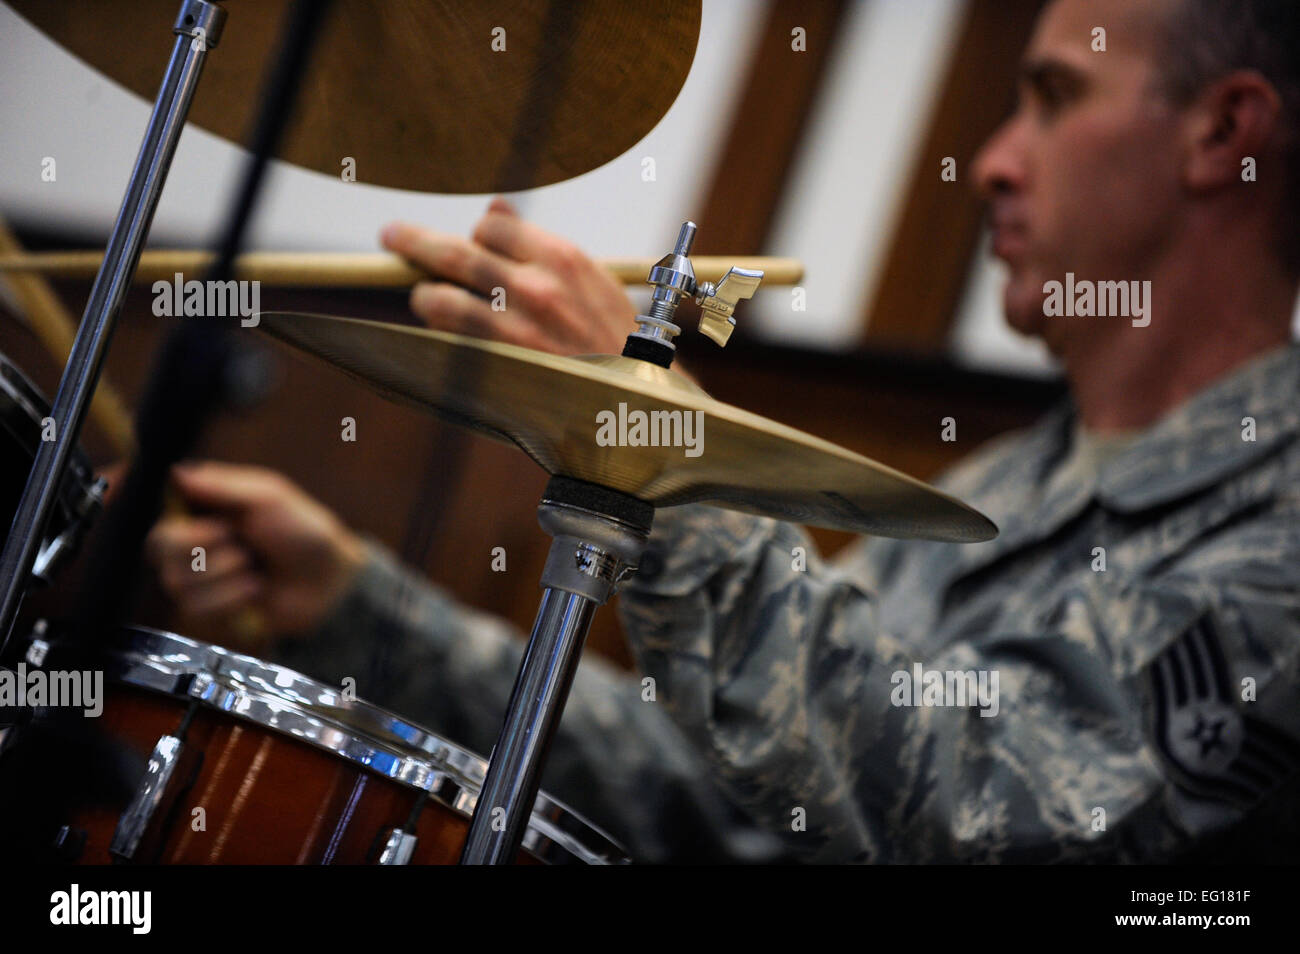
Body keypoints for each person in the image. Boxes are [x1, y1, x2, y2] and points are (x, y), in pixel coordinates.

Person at [146, 0, 1300, 862]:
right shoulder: (1009, 478)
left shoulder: (1281, 522)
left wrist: (662, 448)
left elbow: (989, 808)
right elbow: (718, 784)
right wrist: (355, 604)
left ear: (1220, 133)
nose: (994, 161)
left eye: (1053, 98)